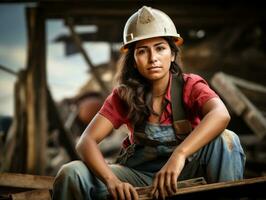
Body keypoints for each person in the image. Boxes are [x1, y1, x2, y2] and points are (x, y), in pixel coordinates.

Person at [52, 6, 245, 200]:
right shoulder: (124, 95)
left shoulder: (190, 86)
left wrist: (179, 155)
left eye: (160, 48)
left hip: (186, 172)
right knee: (71, 173)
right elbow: (86, 141)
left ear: (173, 54)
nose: (153, 58)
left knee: (226, 139)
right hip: (138, 178)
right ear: (134, 60)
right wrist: (112, 180)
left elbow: (221, 114)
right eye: (142, 51)